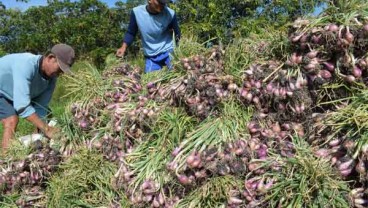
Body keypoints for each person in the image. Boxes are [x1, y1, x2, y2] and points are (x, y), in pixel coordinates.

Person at [0, 43, 75, 153]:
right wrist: (47, 129)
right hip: (2, 90)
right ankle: (4, 162)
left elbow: (41, 107)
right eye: (60, 69)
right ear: (50, 58)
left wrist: (43, 130)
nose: (60, 74)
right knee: (11, 121)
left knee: (46, 115)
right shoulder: (26, 65)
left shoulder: (51, 79)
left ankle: (39, 148)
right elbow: (22, 106)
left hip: (14, 92)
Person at [116, 0, 181, 73]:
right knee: (151, 81)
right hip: (151, 56)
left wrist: (179, 51)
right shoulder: (137, 13)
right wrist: (123, 47)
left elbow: (177, 34)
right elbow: (131, 32)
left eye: (164, 2)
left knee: (176, 73)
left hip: (169, 52)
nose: (163, 5)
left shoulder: (170, 14)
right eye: (160, 2)